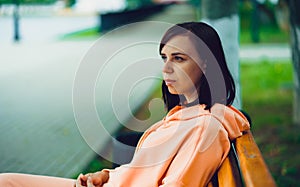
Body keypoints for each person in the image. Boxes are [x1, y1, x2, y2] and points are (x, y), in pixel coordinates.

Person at [0, 22, 250, 187]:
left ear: (206, 63)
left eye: (179, 59)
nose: (166, 69)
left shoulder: (206, 128)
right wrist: (108, 175)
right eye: (164, 57)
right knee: (7, 181)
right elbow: (143, 172)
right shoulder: (183, 115)